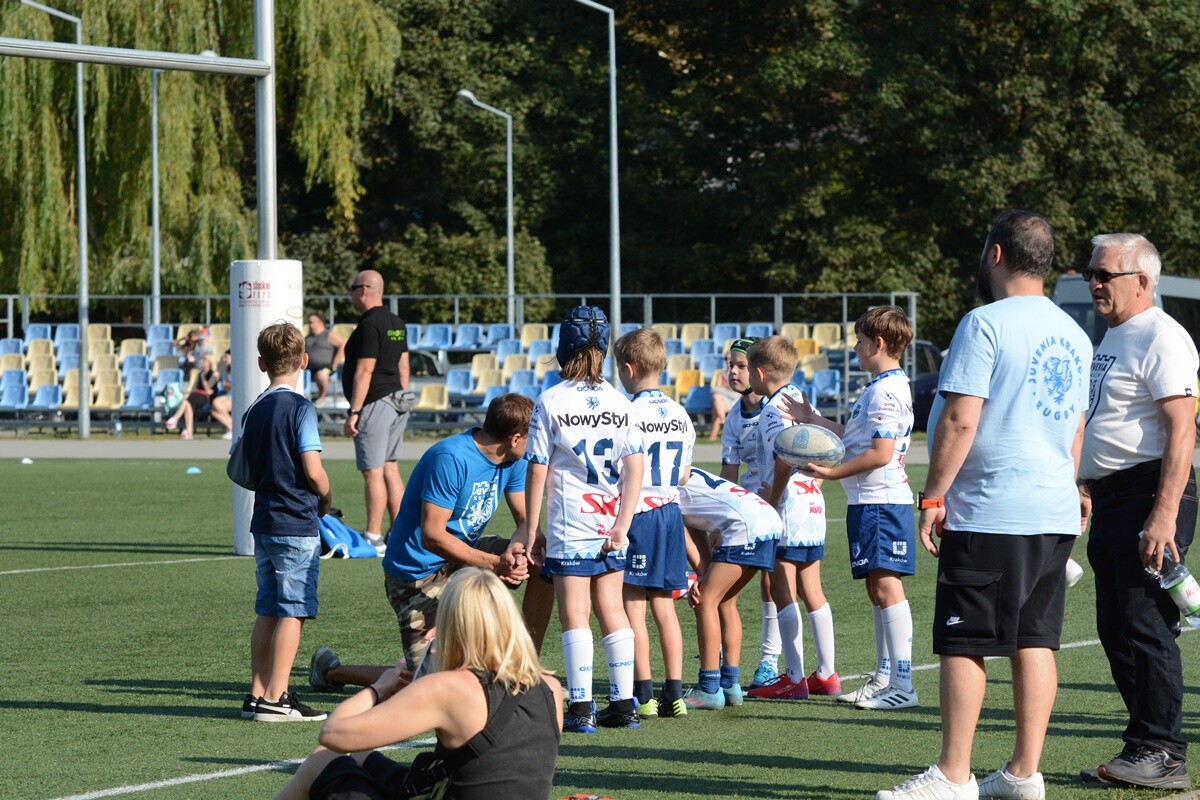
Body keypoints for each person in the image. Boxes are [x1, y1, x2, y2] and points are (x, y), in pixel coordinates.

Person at [877, 210, 1092, 800]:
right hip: (1051, 505)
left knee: (964, 639)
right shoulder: (1075, 333)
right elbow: (1075, 427)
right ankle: (1025, 773)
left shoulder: (984, 323)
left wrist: (934, 495)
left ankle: (953, 775)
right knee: (1034, 639)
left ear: (996, 255)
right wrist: (1065, 486)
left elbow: (960, 416)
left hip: (995, 505)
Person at [308, 393, 555, 691]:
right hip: (416, 575)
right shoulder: (450, 458)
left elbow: (525, 520)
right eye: (533, 437)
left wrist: (519, 550)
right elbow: (433, 536)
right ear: (515, 438)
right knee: (427, 685)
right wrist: (495, 564)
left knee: (544, 561)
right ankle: (332, 672)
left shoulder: (512, 459)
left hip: (462, 557)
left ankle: (528, 667)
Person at [1077, 233, 1198, 790]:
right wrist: (1084, 482)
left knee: (1145, 623)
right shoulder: (1118, 334)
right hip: (1114, 498)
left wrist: (1164, 514)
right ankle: (1144, 742)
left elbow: (1181, 430)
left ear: (1142, 281)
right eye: (1092, 273)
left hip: (1150, 496)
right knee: (1117, 627)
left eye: (1106, 275)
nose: (1094, 283)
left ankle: (1165, 752)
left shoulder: (1162, 336)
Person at [275, 568, 562, 800]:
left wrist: (380, 688)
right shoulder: (550, 688)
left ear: (456, 625)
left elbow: (334, 733)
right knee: (360, 756)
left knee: (324, 760)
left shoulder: (451, 688)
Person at [783, 306, 918, 711]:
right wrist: (814, 419)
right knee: (876, 588)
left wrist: (832, 472)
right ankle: (884, 676)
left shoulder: (885, 391)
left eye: (859, 342)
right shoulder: (881, 386)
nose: (855, 349)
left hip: (881, 500)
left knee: (886, 586)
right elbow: (856, 438)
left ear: (878, 344)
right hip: (870, 501)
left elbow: (880, 453)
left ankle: (904, 683)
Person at [522, 305, 645, 733]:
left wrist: (530, 526)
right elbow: (635, 468)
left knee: (575, 615)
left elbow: (536, 468)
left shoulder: (550, 400)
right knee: (612, 609)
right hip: (610, 521)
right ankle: (624, 704)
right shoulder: (619, 400)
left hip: (570, 521)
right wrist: (623, 525)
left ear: (563, 348)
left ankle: (580, 708)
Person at [238, 321, 333, 722]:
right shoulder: (300, 408)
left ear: (262, 363)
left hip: (264, 518)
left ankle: (257, 692)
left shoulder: (254, 407)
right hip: (296, 519)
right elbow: (313, 469)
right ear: (305, 361)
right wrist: (326, 497)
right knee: (293, 609)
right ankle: (277, 698)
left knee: (268, 608)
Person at [743, 336, 838, 701]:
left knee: (783, 588)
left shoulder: (771, 410)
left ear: (760, 371)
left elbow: (784, 456)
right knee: (812, 589)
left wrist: (772, 499)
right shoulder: (799, 396)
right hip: (813, 504)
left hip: (788, 507)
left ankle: (795, 676)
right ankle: (827, 673)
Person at [613, 328, 695, 719]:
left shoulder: (627, 413)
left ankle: (642, 695)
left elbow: (622, 469)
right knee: (665, 606)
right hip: (671, 513)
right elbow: (683, 474)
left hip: (640, 513)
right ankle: (674, 695)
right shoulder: (680, 413)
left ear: (628, 369)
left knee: (633, 605)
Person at [679, 467, 781, 711]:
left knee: (705, 601)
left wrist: (702, 577)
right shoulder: (684, 474)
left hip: (746, 527)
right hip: (768, 522)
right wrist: (704, 571)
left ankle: (710, 688)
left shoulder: (660, 487)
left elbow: (679, 531)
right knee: (725, 601)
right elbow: (693, 525)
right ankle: (730, 686)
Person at [717, 337, 783, 690]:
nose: (733, 371)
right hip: (751, 510)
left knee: (775, 584)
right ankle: (727, 658)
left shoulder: (778, 408)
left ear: (758, 369)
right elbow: (729, 474)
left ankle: (770, 661)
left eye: (741, 366)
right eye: (730, 364)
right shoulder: (732, 419)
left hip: (782, 504)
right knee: (733, 586)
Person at [342, 270, 413, 551]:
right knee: (390, 468)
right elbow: (404, 366)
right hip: (397, 399)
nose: (349, 294)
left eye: (351, 288)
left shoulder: (369, 325)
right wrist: (403, 398)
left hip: (375, 402)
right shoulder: (396, 322)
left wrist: (354, 411)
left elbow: (365, 369)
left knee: (372, 471)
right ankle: (400, 532)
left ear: (363, 290)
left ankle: (373, 535)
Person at [165, 352, 220, 440]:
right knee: (187, 402)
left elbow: (207, 388)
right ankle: (188, 432)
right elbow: (195, 387)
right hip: (198, 396)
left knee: (188, 400)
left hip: (208, 398)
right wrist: (189, 392)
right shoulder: (200, 373)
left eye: (204, 360)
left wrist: (202, 377)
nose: (202, 361)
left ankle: (176, 419)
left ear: (210, 361)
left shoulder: (215, 374)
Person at [305, 312, 346, 406]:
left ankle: (322, 397)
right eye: (309, 322)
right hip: (308, 368)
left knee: (321, 375)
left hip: (326, 368)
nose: (310, 325)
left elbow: (342, 345)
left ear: (320, 322)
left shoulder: (328, 334)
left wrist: (335, 363)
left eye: (312, 322)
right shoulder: (308, 338)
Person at [210, 349, 234, 440]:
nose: (224, 359)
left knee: (216, 404)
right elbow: (225, 387)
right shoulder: (227, 371)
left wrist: (229, 385)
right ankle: (232, 428)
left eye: (226, 357)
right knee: (214, 411)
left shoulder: (237, 370)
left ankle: (232, 427)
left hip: (234, 396)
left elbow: (235, 385)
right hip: (229, 395)